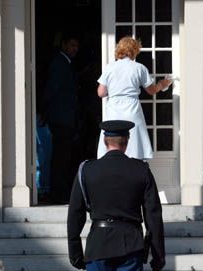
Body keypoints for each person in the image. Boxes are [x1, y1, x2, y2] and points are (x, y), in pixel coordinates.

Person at [67, 120, 165, 271]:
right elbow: (153, 216)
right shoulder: (141, 170)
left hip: (98, 246)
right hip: (131, 246)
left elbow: (75, 214)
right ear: (127, 141)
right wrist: (158, 256)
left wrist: (75, 254)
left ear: (105, 141)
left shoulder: (87, 170)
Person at [96, 36, 173, 160]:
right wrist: (162, 84)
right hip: (132, 108)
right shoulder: (139, 68)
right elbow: (151, 90)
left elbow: (101, 93)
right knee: (134, 147)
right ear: (134, 50)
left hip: (114, 109)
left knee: (112, 144)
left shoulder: (109, 67)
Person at [43, 32, 81, 204]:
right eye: (72, 45)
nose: (75, 49)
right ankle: (59, 193)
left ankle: (60, 191)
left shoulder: (66, 63)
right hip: (60, 118)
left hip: (64, 118)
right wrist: (46, 112)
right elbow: (52, 90)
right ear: (64, 45)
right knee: (60, 157)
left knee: (63, 156)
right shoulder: (59, 63)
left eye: (76, 46)